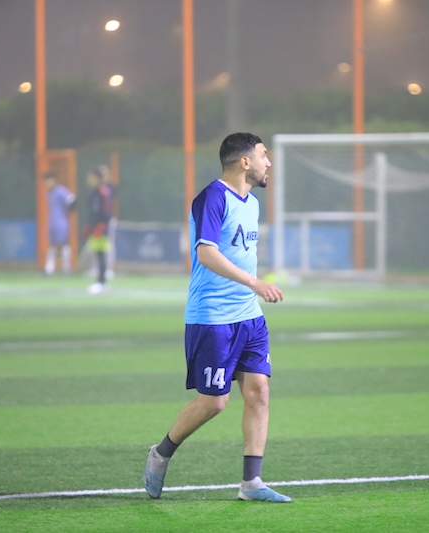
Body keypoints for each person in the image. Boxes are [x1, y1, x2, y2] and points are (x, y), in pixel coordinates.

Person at [143, 132, 291, 503]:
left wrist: (252, 289)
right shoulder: (212, 197)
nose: (268, 162)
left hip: (249, 316)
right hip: (212, 318)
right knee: (215, 402)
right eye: (263, 155)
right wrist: (255, 282)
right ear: (245, 161)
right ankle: (161, 453)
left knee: (259, 392)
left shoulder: (252, 203)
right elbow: (206, 253)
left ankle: (251, 483)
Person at [82, 166, 113, 294]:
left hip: (101, 229)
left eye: (91, 177)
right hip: (95, 229)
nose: (88, 180)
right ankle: (99, 282)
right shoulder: (94, 193)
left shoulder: (103, 192)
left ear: (97, 178)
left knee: (101, 255)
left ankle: (102, 283)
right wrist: (89, 227)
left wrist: (101, 227)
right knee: (97, 255)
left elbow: (106, 212)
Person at [44, 171, 76, 276]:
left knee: (64, 244)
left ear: (54, 181)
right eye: (46, 182)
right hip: (52, 222)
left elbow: (72, 199)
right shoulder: (49, 193)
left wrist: (68, 211)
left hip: (61, 222)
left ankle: (66, 268)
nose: (48, 183)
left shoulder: (61, 191)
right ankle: (49, 268)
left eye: (49, 181)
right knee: (52, 244)